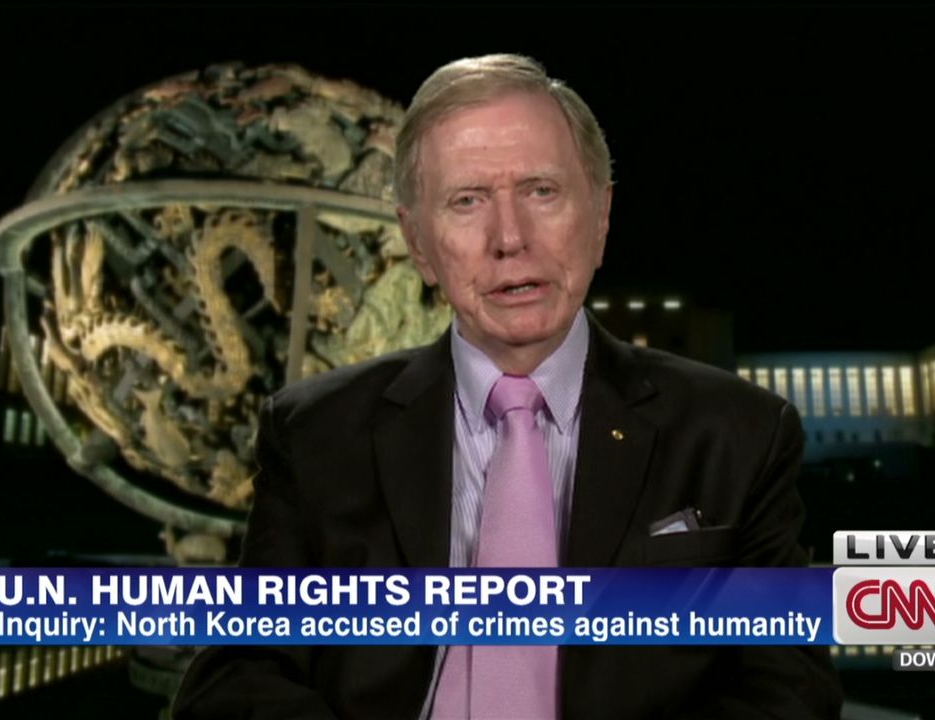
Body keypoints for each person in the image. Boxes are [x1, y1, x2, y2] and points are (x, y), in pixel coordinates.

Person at [174, 53, 842, 720]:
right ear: (418, 244)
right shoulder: (315, 434)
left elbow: (787, 691)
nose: (510, 238)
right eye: (467, 201)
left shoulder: (737, 435)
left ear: (601, 216)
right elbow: (235, 677)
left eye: (541, 191)